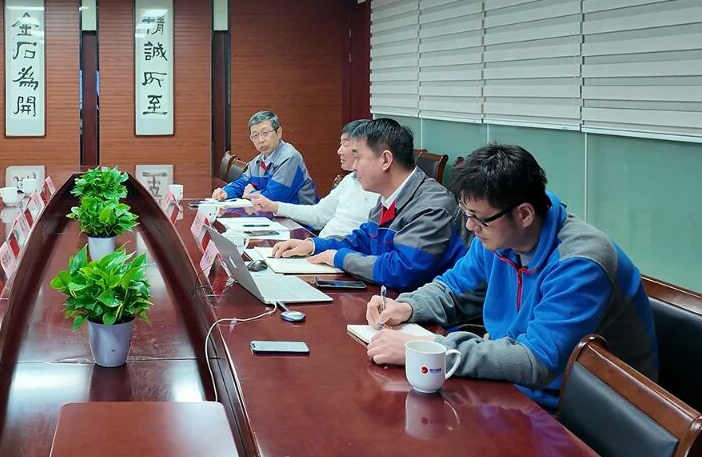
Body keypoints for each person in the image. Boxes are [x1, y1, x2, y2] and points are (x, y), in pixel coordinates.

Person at [364, 143, 658, 411]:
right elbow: (453, 288)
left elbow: (536, 361)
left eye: (479, 218)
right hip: (517, 390)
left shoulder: (580, 263)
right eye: (466, 213)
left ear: (524, 214)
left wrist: (435, 352)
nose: (471, 227)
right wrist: (407, 306)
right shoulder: (498, 237)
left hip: (586, 413)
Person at [270, 118, 464, 290]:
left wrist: (339, 257)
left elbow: (402, 270)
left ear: (385, 160)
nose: (354, 167)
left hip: (423, 311)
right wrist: (313, 245)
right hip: (389, 299)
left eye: (358, 157)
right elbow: (362, 240)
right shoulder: (388, 196)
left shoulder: (432, 206)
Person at [247, 119, 379, 239]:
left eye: (345, 144)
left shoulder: (379, 190)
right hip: (321, 244)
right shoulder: (350, 180)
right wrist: (274, 207)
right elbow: (319, 214)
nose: (339, 151)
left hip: (334, 251)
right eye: (255, 135)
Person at [212, 111, 317, 205]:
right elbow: (242, 183)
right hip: (272, 215)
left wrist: (251, 193)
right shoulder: (257, 161)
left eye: (265, 133)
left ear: (279, 133)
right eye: (255, 135)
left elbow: (274, 198)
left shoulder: (289, 158)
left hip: (299, 218)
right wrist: (225, 192)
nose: (260, 140)